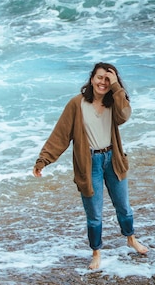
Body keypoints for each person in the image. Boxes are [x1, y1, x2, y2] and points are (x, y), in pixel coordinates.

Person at [33, 62, 148, 270]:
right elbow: (60, 135)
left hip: (113, 159)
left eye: (108, 79)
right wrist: (44, 160)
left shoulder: (115, 102)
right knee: (94, 214)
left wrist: (116, 88)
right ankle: (96, 253)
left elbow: (125, 116)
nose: (102, 82)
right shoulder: (76, 104)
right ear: (91, 78)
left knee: (124, 206)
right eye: (99, 77)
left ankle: (131, 239)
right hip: (90, 163)